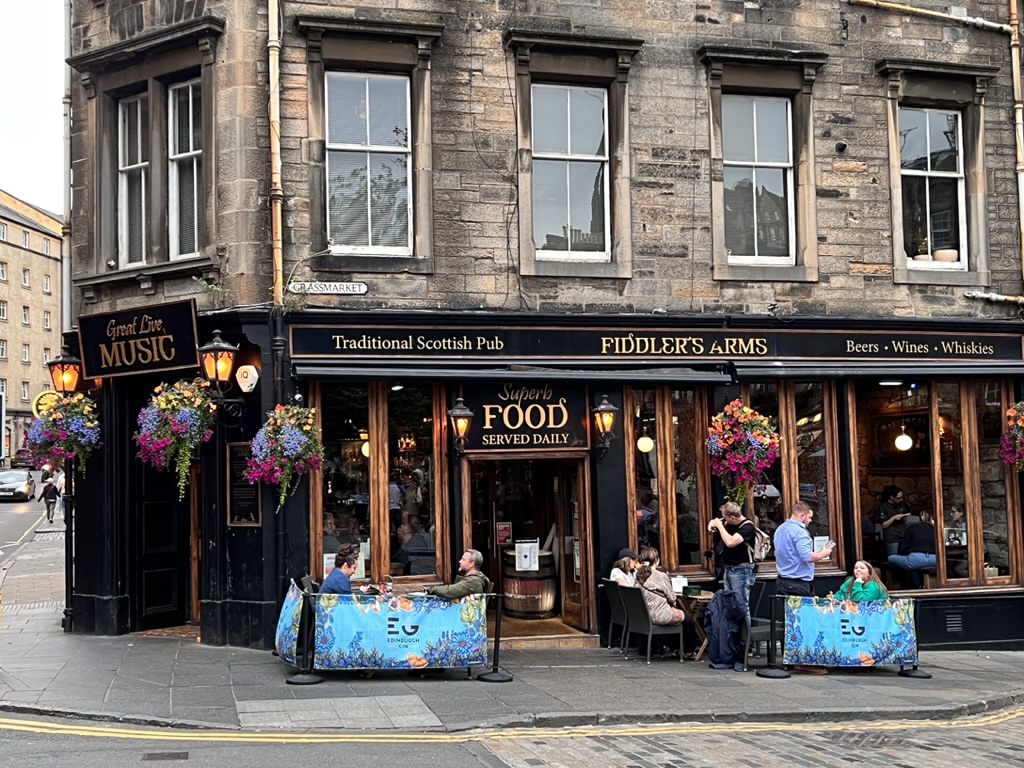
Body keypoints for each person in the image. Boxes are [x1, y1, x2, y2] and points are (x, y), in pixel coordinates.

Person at [773, 501, 835, 674]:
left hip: (783, 580)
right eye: (809, 517)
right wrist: (824, 553)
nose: (809, 520)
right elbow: (808, 557)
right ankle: (802, 661)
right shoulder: (800, 533)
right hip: (798, 583)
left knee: (789, 622)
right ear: (801, 515)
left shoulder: (780, 529)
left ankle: (790, 659)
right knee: (803, 622)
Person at [707, 501, 757, 617]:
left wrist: (719, 526)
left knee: (741, 604)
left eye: (725, 517)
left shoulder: (747, 527)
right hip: (729, 568)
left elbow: (730, 542)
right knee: (729, 603)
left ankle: (745, 634)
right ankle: (732, 632)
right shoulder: (728, 523)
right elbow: (714, 522)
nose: (723, 519)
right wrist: (713, 524)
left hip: (742, 570)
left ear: (733, 517)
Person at [888, 511, 937, 588]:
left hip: (916, 559)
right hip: (935, 559)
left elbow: (903, 547)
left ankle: (916, 586)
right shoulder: (933, 528)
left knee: (891, 558)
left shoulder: (910, 528)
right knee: (914, 567)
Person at [425, 549, 491, 599]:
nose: (460, 561)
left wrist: (431, 589)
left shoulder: (473, 581)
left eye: (463, 559)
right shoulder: (473, 579)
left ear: (471, 564)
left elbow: (450, 591)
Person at [876, 485, 912, 557]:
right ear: (891, 497)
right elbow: (884, 525)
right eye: (898, 498)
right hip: (892, 538)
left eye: (902, 497)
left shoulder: (901, 504)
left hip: (902, 535)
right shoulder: (884, 507)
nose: (901, 499)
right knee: (893, 559)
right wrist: (894, 518)